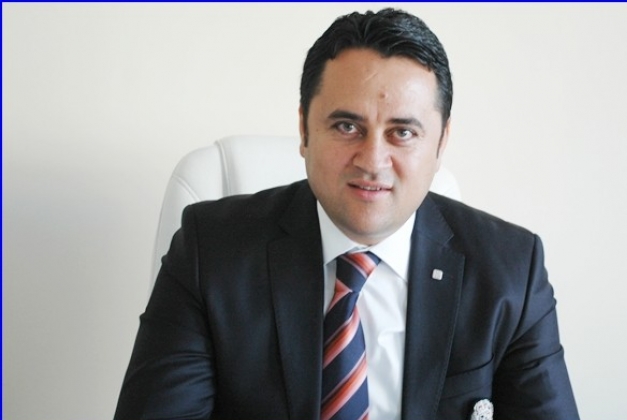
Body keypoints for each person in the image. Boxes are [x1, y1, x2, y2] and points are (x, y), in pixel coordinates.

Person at [114, 8, 579, 420]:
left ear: (441, 143)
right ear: (304, 129)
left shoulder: (511, 270)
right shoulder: (209, 251)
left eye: (402, 132)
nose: (372, 160)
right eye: (346, 126)